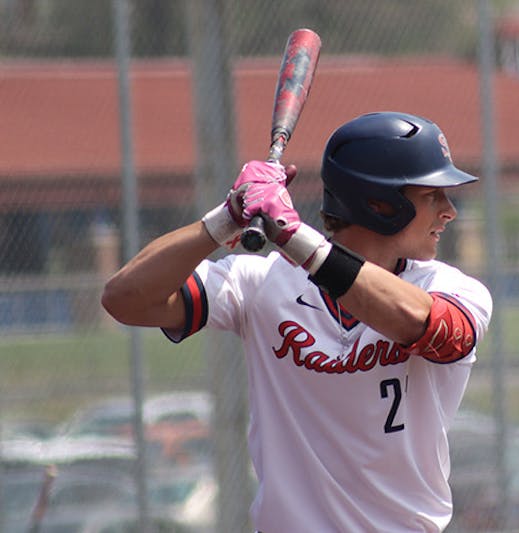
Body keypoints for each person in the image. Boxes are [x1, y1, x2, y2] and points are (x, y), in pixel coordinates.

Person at [102, 111, 493, 532]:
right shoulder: (260, 281)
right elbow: (125, 299)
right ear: (380, 204)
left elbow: (432, 329)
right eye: (432, 195)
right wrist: (225, 218)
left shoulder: (449, 287)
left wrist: (294, 236)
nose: (448, 211)